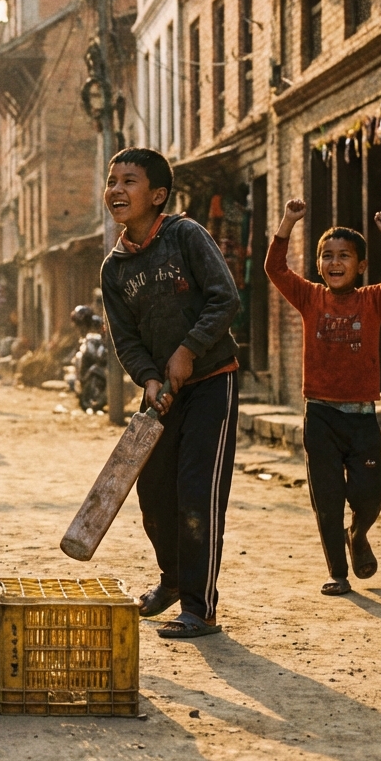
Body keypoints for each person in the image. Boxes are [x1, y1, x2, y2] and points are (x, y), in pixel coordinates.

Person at [100, 147, 241, 639]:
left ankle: (200, 608)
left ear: (158, 195)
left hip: (211, 381)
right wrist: (150, 378)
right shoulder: (114, 268)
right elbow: (125, 338)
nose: (117, 189)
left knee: (196, 493)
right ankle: (174, 579)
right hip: (160, 394)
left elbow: (225, 298)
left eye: (129, 181)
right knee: (155, 492)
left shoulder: (186, 235)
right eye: (112, 181)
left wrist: (188, 350)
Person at [267, 199, 381, 596]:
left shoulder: (372, 300)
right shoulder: (309, 297)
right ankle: (337, 572)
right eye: (327, 256)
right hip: (320, 417)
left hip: (362, 417)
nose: (335, 262)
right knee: (327, 498)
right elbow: (275, 269)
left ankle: (359, 533)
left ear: (361, 265)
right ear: (319, 265)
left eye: (344, 256)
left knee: (370, 491)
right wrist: (288, 222)